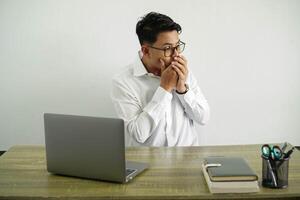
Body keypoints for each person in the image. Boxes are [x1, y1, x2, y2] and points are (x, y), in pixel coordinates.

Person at [111, 12, 210, 146]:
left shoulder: (183, 71)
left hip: (188, 159)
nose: (176, 55)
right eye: (168, 48)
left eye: (178, 46)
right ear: (146, 51)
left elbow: (203, 118)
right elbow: (138, 134)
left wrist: (182, 90)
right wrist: (165, 89)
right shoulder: (123, 81)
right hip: (148, 163)